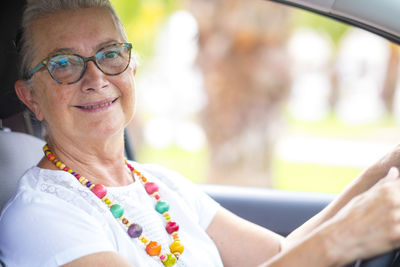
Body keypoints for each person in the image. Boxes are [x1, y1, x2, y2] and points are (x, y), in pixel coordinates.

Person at [1, 0, 400, 266]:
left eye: (109, 54)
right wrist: (343, 238)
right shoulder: (39, 217)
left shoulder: (157, 183)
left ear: (131, 68)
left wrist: (381, 171)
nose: (95, 78)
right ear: (31, 97)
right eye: (64, 64)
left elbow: (281, 252)